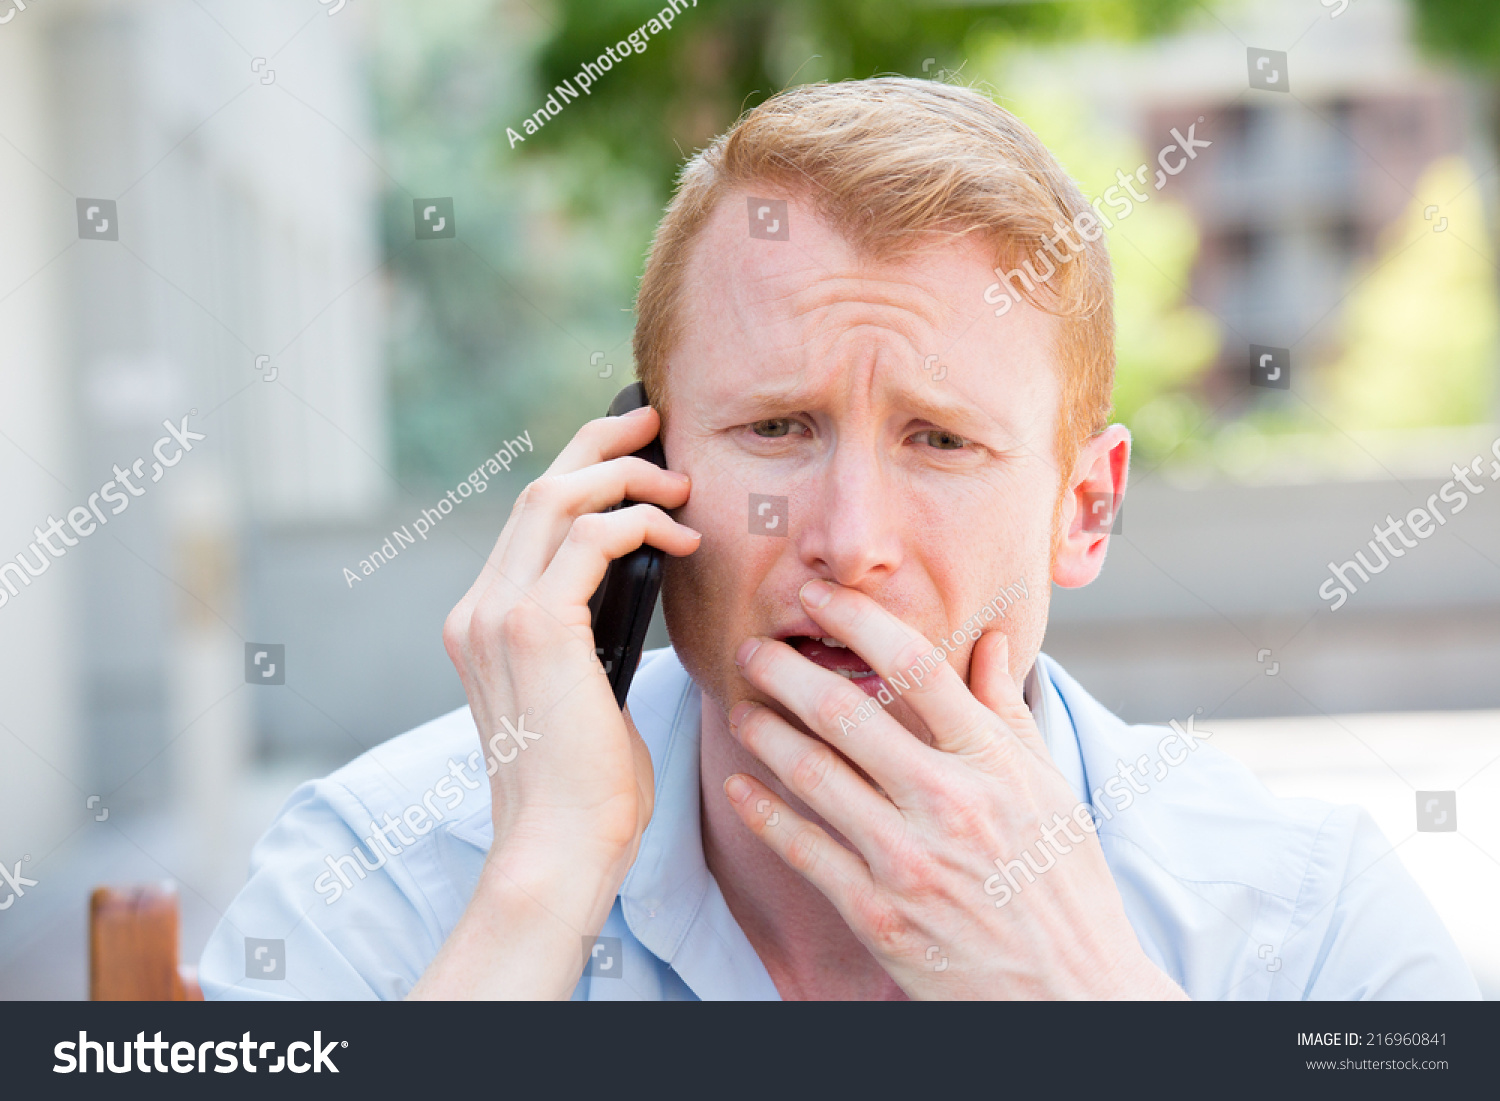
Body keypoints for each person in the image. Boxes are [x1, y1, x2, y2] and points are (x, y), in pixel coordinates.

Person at [201, 78, 1477, 1000]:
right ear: (640, 476)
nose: (850, 541)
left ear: (1083, 508)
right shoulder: (383, 872)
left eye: (940, 441)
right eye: (776, 428)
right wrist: (537, 888)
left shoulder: (1307, 925)